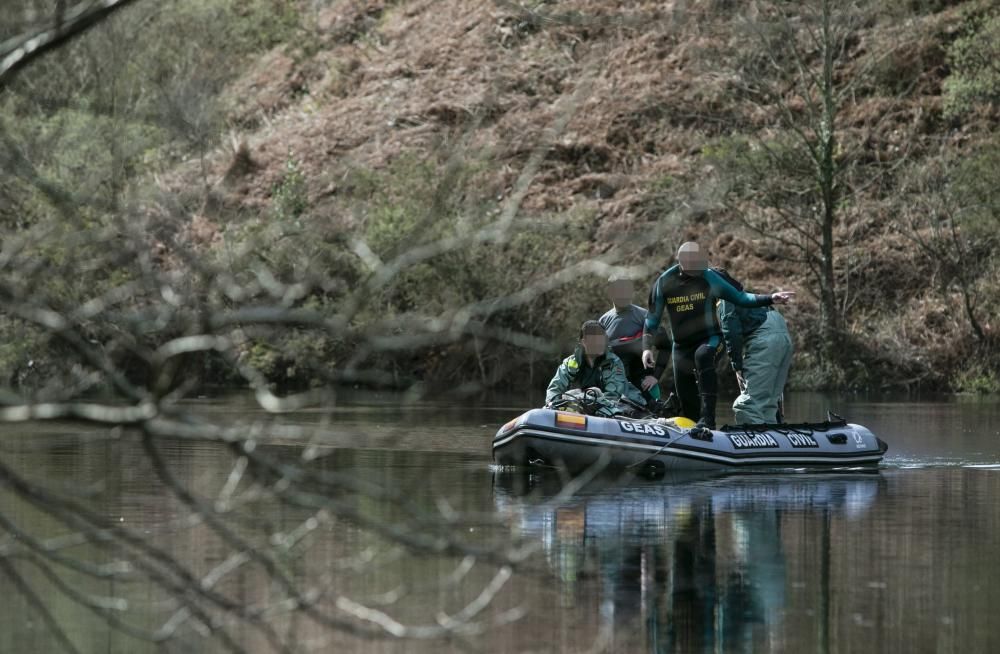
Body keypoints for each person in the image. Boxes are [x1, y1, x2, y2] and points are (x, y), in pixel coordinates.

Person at [642, 242, 794, 436]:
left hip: (711, 340)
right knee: (685, 393)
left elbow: (741, 298)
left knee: (703, 355)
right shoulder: (664, 282)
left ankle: (708, 421)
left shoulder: (709, 277)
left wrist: (771, 298)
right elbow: (651, 321)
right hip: (681, 347)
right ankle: (692, 434)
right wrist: (646, 348)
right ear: (681, 262)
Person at [715, 269, 794, 425]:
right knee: (768, 405)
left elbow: (731, 332)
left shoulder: (724, 299)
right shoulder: (745, 295)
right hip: (783, 335)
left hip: (765, 339)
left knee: (747, 406)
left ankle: (754, 443)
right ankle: (774, 438)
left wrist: (737, 366)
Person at [598, 275, 671, 405]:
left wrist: (655, 377)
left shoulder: (645, 318)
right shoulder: (603, 321)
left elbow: (665, 346)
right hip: (614, 387)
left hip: (642, 386)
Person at [546, 320, 646, 413]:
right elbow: (555, 388)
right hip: (580, 406)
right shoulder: (570, 363)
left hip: (614, 406)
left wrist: (586, 398)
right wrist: (555, 403)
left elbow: (614, 396)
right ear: (583, 342)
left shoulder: (614, 362)